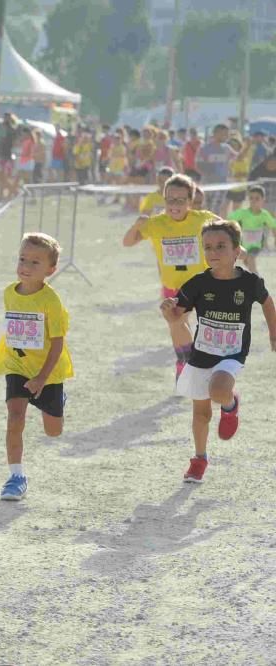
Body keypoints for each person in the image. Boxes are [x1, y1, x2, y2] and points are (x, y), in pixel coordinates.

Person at [161, 219, 276, 483]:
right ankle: (199, 460)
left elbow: (268, 304)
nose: (213, 252)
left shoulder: (250, 283)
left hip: (232, 354)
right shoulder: (198, 283)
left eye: (221, 246)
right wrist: (171, 313)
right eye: (208, 247)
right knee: (201, 413)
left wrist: (273, 333)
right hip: (202, 355)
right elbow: (179, 316)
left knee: (219, 389)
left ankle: (230, 403)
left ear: (237, 251)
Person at [0, 232, 72, 501]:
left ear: (50, 270)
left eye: (35, 263)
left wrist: (41, 378)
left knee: (54, 431)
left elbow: (57, 345)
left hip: (47, 371)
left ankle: (58, 399)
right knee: (15, 416)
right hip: (17, 365)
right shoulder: (9, 292)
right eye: (22, 259)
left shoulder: (51, 301)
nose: (26, 267)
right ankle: (16, 477)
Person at [123, 174, 215, 379]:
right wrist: (137, 225)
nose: (175, 205)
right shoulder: (156, 224)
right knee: (176, 326)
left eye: (181, 200)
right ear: (164, 200)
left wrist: (239, 250)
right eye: (170, 199)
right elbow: (127, 242)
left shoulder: (202, 219)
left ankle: (190, 363)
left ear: (190, 202)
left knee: (186, 323)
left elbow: (228, 234)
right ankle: (184, 362)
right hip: (171, 286)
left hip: (199, 285)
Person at [229, 185, 276, 275]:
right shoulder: (243, 213)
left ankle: (258, 281)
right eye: (251, 198)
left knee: (250, 259)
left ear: (263, 200)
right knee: (247, 263)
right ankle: (254, 278)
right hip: (244, 245)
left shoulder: (264, 215)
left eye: (257, 198)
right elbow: (230, 218)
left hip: (257, 245)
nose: (253, 201)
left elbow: (273, 224)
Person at [197, 124, 236, 216]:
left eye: (227, 134)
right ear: (216, 133)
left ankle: (212, 228)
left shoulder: (227, 148)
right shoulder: (205, 148)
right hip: (207, 184)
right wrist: (208, 171)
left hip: (221, 184)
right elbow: (198, 165)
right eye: (224, 134)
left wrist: (248, 147)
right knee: (205, 209)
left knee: (215, 210)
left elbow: (238, 158)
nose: (226, 136)